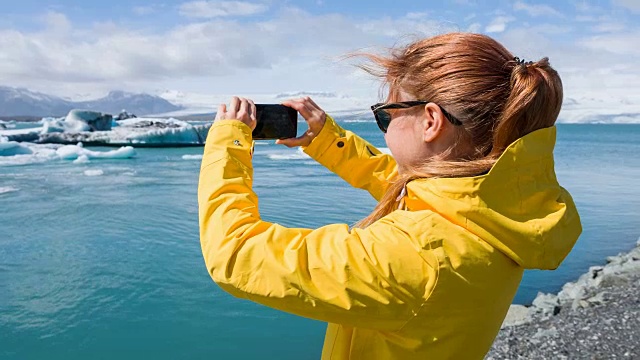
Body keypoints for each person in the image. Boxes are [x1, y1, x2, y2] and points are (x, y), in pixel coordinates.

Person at [198, 32, 582, 359]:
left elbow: (235, 252)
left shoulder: (413, 257)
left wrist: (226, 144)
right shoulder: (504, 208)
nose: (383, 125)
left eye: (386, 114)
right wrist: (328, 141)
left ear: (431, 121)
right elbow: (413, 187)